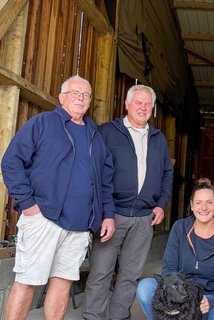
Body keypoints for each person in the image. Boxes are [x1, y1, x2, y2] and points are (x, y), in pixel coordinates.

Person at [1, 75, 116, 320]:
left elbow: (105, 180)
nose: (81, 98)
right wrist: (28, 204)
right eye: (75, 93)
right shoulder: (43, 123)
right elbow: (11, 162)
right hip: (44, 218)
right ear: (62, 97)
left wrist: (107, 215)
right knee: (27, 281)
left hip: (79, 225)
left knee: (63, 283)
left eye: (86, 95)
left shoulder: (94, 134)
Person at [83, 84, 174, 319]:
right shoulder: (107, 132)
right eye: (138, 103)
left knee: (130, 275)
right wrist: (105, 213)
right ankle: (93, 316)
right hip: (112, 215)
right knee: (101, 272)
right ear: (127, 104)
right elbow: (94, 173)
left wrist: (160, 203)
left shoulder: (158, 138)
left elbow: (167, 173)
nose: (143, 108)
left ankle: (119, 316)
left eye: (147, 104)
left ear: (152, 108)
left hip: (144, 218)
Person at [136, 178, 214, 319]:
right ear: (192, 206)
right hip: (181, 291)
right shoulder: (180, 228)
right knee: (145, 288)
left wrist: (212, 301)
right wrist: (177, 297)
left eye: (209, 202)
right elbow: (169, 270)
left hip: (210, 297)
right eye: (198, 203)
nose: (203, 208)